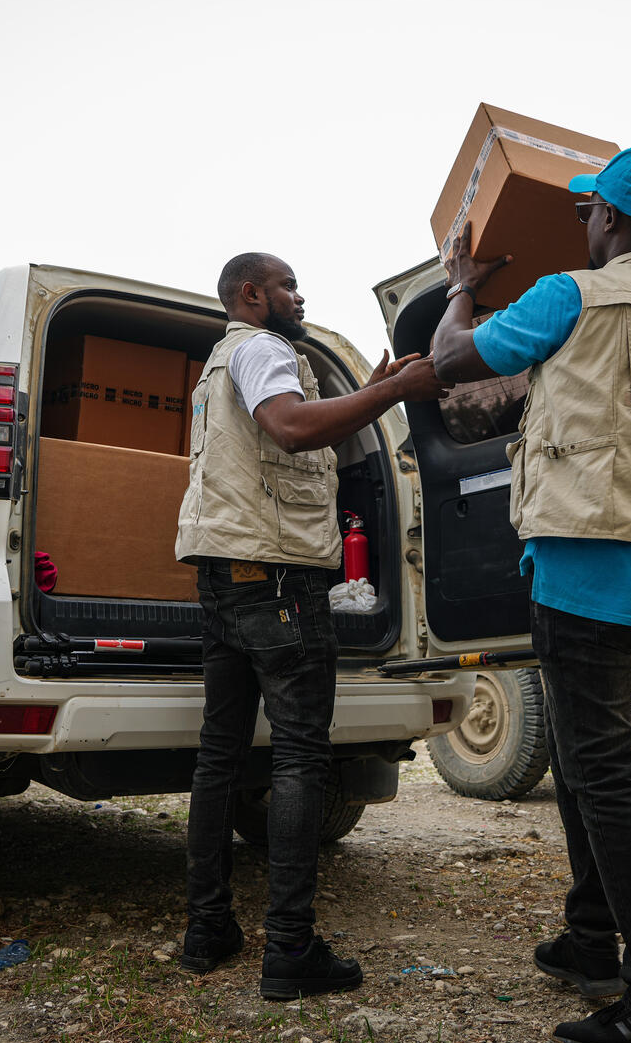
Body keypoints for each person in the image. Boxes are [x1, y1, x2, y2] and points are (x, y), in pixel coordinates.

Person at [432, 146, 631, 1043]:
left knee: (600, 774)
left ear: (607, 217)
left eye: (587, 211)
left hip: (582, 567)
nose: (583, 225)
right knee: (578, 745)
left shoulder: (574, 296)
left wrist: (457, 286)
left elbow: (450, 361)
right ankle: (590, 938)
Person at [175, 252, 450, 1000]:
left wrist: (369, 391)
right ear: (253, 294)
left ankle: (208, 930)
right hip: (279, 582)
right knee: (298, 758)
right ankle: (290, 950)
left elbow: (276, 438)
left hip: (223, 579)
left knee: (218, 757)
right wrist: (395, 390)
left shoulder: (219, 362)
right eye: (290, 284)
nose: (301, 295)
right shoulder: (266, 348)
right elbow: (291, 428)